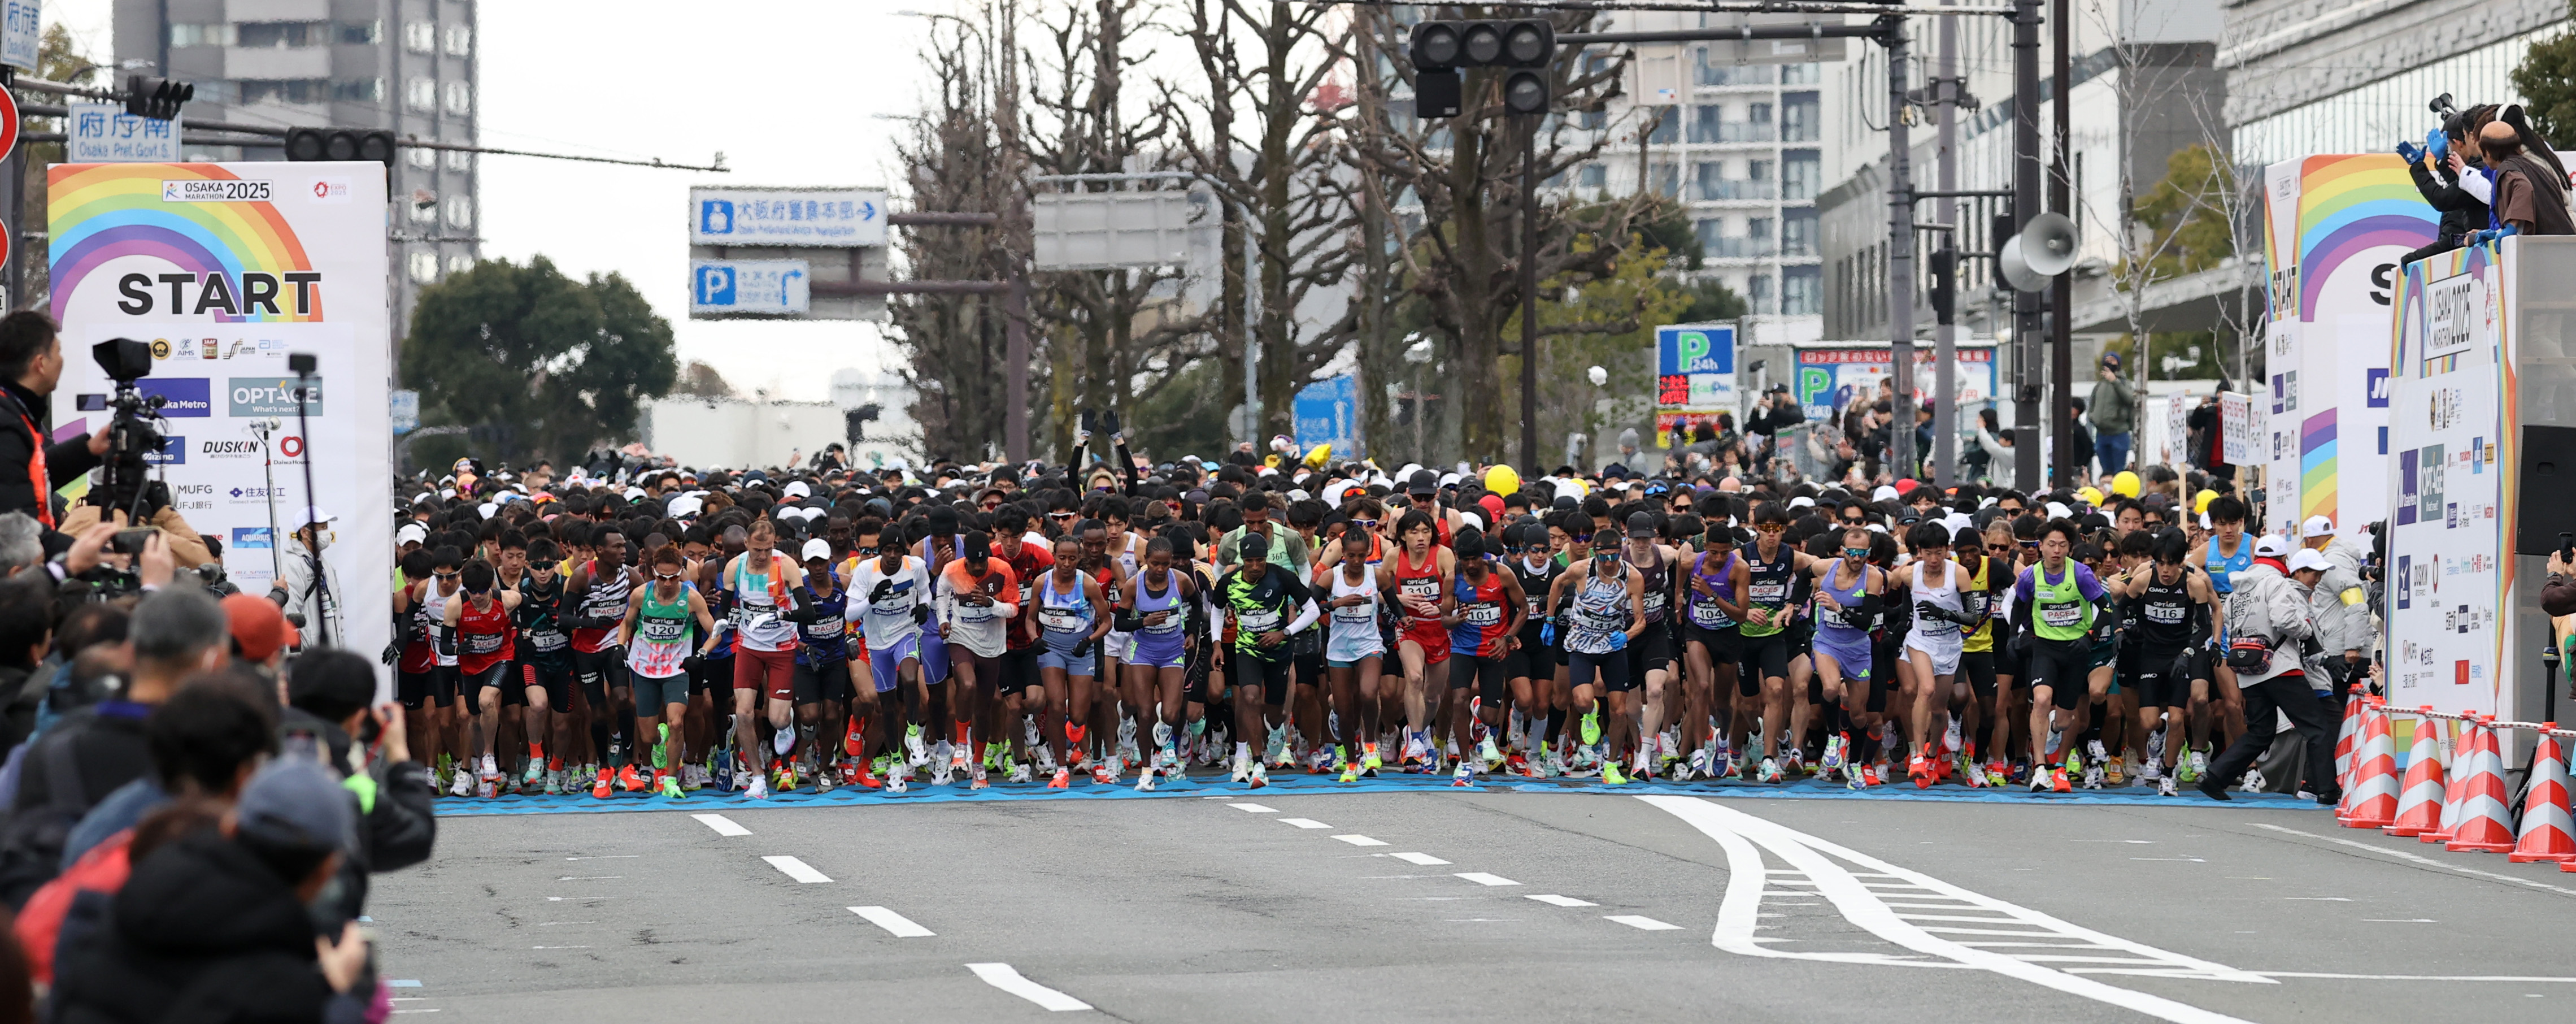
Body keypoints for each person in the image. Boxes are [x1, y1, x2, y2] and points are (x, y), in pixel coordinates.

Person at [47, 759, 372, 1023]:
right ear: (325, 871)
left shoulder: (117, 909)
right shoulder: (285, 985)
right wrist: (338, 996)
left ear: (230, 826)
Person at [0, 588, 223, 908]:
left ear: (130, 653)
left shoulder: (52, 744)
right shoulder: (222, 751)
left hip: (69, 934)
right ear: (216, 660)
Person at [2201, 548, 2339, 804]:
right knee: (2317, 728)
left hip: (2249, 669)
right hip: (2280, 668)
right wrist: (2306, 632)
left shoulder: (2239, 589)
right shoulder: (2276, 583)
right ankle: (2327, 789)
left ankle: (2214, 778)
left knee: (2260, 732)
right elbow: (2285, 620)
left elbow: (2230, 622)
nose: (2317, 578)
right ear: (2284, 561)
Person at [0, 312, 107, 545]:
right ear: (40, 364)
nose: (61, 361)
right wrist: (91, 556)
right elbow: (19, 535)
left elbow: (24, 480)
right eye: (58, 352)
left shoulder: (14, 411)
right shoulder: (6, 425)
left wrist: (90, 449)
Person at [2478, 119, 2574, 236]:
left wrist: (2511, 226)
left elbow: (2523, 187)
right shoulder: (2534, 166)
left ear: (2488, 153)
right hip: (2565, 240)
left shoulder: (2507, 167)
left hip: (2547, 247)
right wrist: (2498, 232)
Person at [268, 507, 347, 649]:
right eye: (321, 528)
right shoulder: (291, 566)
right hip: (310, 657)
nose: (326, 533)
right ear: (304, 532)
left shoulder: (326, 565)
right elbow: (290, 617)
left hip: (331, 656)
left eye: (326, 527)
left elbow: (338, 614)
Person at [2088, 354, 2136, 476]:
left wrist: (2115, 381)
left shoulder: (2125, 383)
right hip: (2101, 434)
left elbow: (2129, 400)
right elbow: (2092, 403)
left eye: (2113, 361)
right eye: (2107, 361)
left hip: (2119, 433)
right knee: (2106, 472)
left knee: (2118, 472)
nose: (2109, 363)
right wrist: (2092, 417)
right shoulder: (2100, 385)